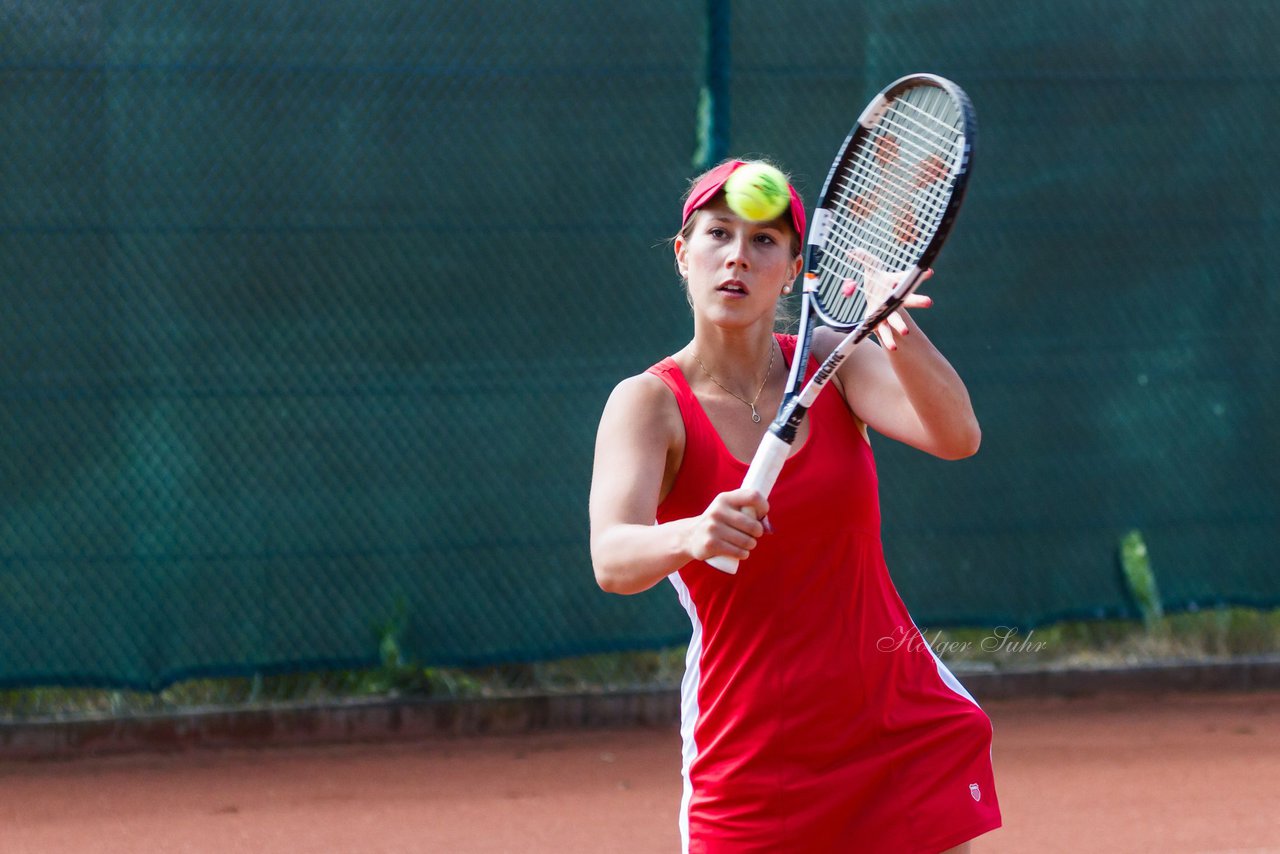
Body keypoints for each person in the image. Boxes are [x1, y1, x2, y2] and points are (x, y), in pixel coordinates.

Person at [588, 158, 1002, 853]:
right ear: (684, 255)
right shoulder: (648, 404)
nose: (737, 258)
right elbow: (612, 557)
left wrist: (898, 329)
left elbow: (958, 436)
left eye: (763, 242)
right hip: (755, 758)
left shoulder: (835, 362)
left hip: (898, 726)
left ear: (792, 269)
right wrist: (692, 533)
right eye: (718, 235)